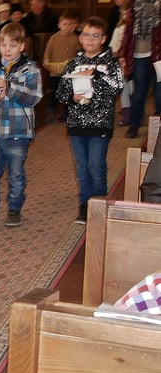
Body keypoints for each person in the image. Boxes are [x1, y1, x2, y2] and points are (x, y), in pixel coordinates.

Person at [0, 22, 43, 229]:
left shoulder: (31, 69)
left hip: (18, 131)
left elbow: (34, 97)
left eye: (12, 45)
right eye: (4, 45)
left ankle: (14, 208)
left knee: (16, 174)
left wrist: (10, 88)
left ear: (22, 46)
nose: (7, 49)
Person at [56, 16, 123, 223]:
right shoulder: (73, 63)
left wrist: (97, 74)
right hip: (76, 124)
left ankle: (99, 203)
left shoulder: (110, 62)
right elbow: (60, 92)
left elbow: (118, 87)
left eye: (95, 36)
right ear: (80, 38)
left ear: (103, 39)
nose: (90, 39)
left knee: (96, 166)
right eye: (86, 35)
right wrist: (71, 98)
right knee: (82, 168)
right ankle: (85, 204)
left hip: (100, 123)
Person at [119, 0, 161, 139]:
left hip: (159, 56)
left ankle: (158, 128)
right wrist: (123, 53)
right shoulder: (134, 4)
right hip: (139, 55)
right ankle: (134, 125)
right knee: (138, 93)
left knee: (159, 92)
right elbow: (128, 31)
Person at [42, 12, 80, 122]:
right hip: (55, 71)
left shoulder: (75, 38)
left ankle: (67, 112)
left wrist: (74, 64)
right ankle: (50, 110)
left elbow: (78, 53)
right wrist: (46, 60)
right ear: (59, 25)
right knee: (54, 91)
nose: (67, 27)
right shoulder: (54, 38)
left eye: (69, 24)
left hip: (69, 72)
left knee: (69, 92)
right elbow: (48, 51)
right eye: (64, 24)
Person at [109, 4, 132, 126]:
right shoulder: (118, 30)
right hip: (120, 63)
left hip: (133, 63)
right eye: (123, 14)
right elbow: (113, 47)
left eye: (128, 13)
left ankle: (135, 111)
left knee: (133, 88)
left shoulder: (135, 30)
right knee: (124, 88)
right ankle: (126, 113)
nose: (126, 16)